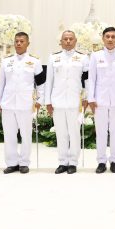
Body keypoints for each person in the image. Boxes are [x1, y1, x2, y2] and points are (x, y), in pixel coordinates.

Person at [0, 32, 45, 174]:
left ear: (28, 43)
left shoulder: (35, 61)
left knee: (26, 134)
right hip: (8, 103)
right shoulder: (6, 61)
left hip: (26, 104)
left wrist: (39, 100)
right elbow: (1, 84)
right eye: (16, 41)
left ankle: (24, 162)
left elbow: (41, 84)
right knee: (9, 135)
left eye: (22, 41)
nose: (18, 43)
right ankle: (12, 163)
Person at [87, 26, 115, 173]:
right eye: (107, 36)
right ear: (103, 39)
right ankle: (101, 161)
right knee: (100, 132)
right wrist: (90, 98)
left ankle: (114, 161)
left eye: (113, 37)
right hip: (99, 101)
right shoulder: (96, 56)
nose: (110, 39)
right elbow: (91, 78)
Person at [43, 30, 89, 175]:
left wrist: (86, 98)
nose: (68, 41)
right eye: (65, 39)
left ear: (75, 41)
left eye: (71, 39)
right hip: (57, 101)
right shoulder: (53, 57)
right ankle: (62, 162)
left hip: (75, 101)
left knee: (74, 133)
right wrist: (48, 102)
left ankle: (73, 162)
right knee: (61, 133)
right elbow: (49, 81)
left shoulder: (83, 58)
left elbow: (87, 80)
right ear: (61, 41)